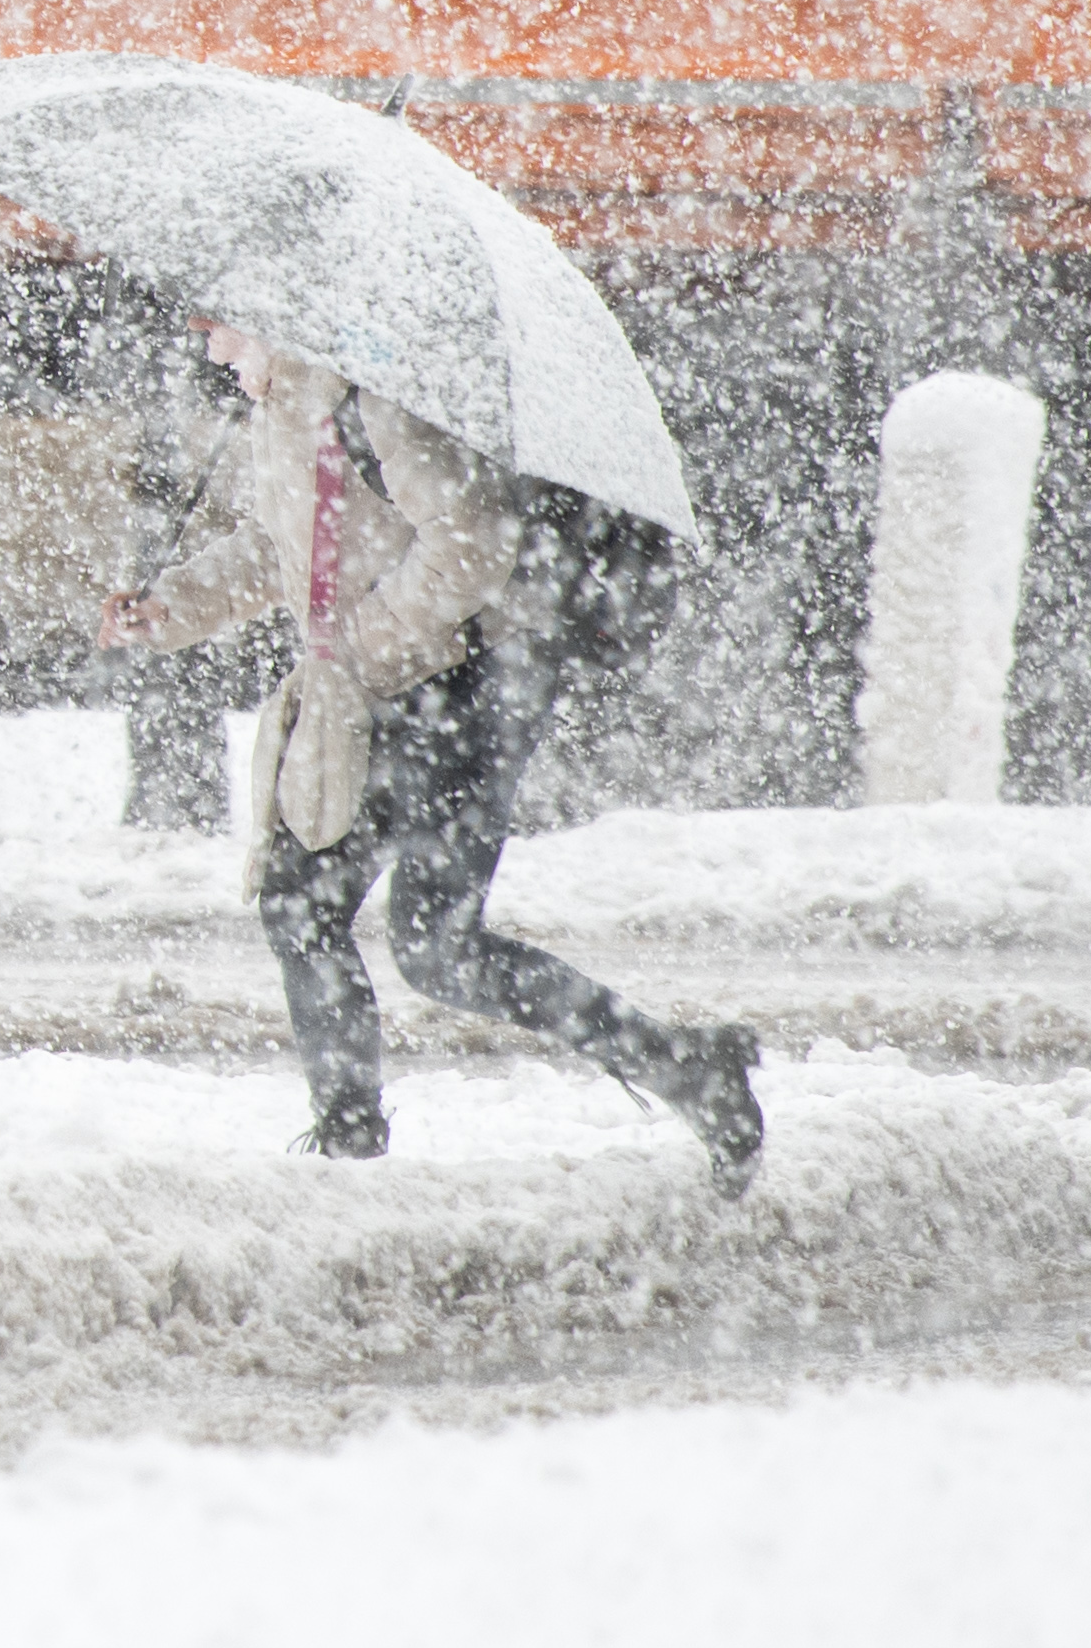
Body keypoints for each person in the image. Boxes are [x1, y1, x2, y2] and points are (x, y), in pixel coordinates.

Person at [101, 318, 764, 1183]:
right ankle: (682, 1067)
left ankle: (351, 1151)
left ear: (270, 322)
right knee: (396, 934)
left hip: (455, 695)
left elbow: (473, 541)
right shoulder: (291, 406)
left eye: (221, 330)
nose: (214, 351)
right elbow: (292, 550)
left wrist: (368, 647)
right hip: (410, 696)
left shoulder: (372, 400)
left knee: (351, 921)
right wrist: (175, 604)